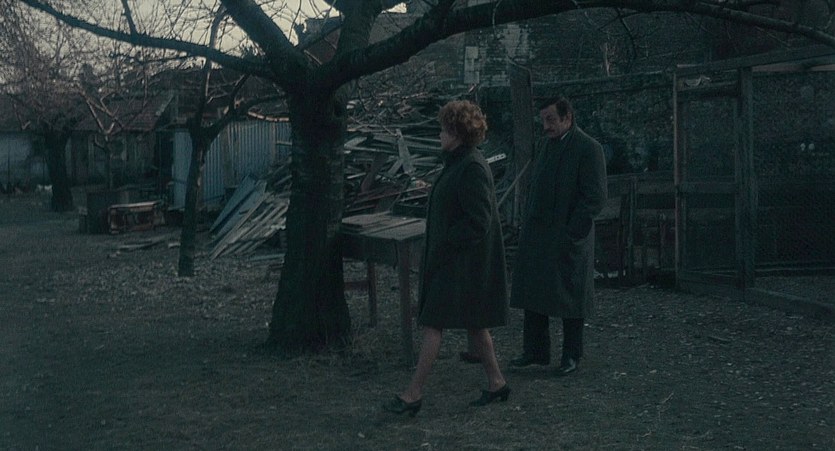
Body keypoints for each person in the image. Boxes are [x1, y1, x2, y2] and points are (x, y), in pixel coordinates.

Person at [383, 100, 510, 416]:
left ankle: (413, 393)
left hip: (461, 264)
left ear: (457, 133)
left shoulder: (472, 167)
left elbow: (479, 221)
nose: (440, 134)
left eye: (444, 129)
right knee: (475, 324)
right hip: (455, 261)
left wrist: (447, 241)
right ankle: (497, 382)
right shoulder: (458, 163)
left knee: (433, 323)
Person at [509, 96, 607, 377]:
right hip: (539, 236)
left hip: (569, 238)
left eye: (551, 119)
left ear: (568, 118)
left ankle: (571, 355)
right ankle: (535, 351)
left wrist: (572, 231)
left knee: (571, 296)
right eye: (543, 120)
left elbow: (595, 198)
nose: (546, 126)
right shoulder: (546, 146)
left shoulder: (588, 148)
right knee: (533, 292)